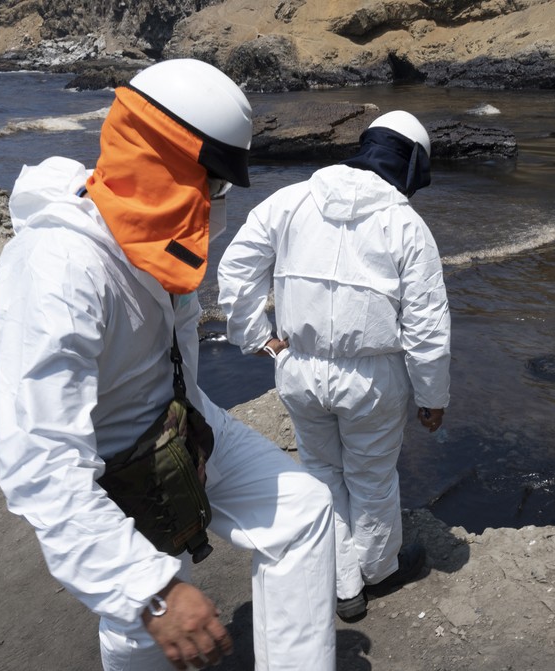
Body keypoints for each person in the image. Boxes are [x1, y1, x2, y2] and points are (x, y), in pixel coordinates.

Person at [0, 59, 337, 671]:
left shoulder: (149, 228)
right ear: (168, 166)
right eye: (212, 182)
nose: (215, 201)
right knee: (144, 616)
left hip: (182, 416)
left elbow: (175, 348)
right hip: (115, 456)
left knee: (302, 514)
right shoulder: (60, 270)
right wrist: (150, 591)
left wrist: (195, 434)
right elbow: (41, 461)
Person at [217, 110, 451, 622]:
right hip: (372, 379)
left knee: (322, 472)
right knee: (371, 477)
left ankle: (340, 581)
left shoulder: (291, 199)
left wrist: (259, 340)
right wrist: (433, 396)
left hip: (298, 369)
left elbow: (235, 270)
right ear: (410, 164)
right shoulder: (405, 223)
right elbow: (427, 325)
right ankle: (377, 571)